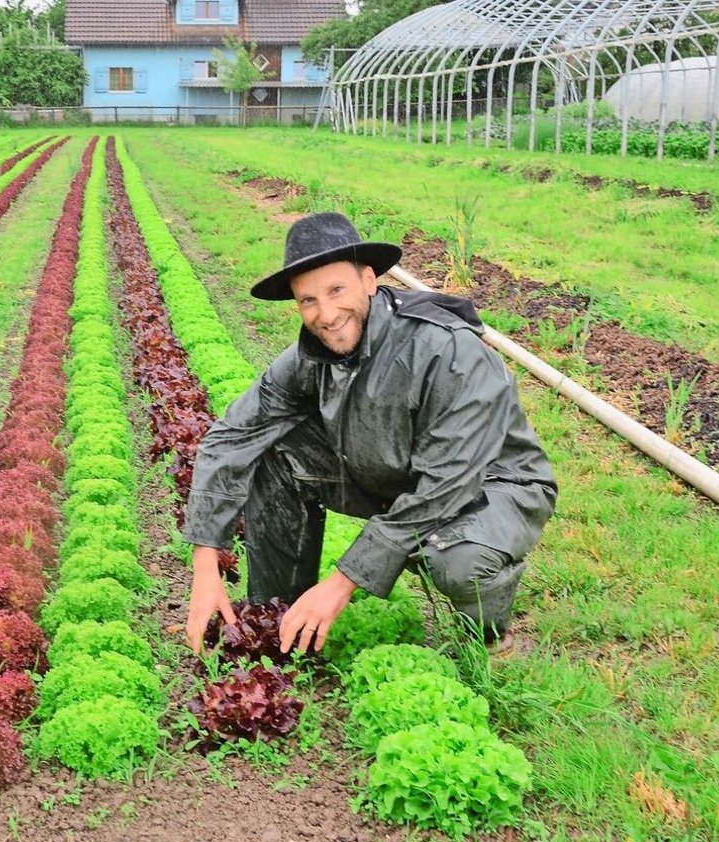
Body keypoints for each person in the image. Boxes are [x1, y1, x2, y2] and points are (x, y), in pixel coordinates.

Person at [183, 212, 556, 657]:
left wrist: (341, 583)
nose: (326, 314)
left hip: (490, 485)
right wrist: (206, 564)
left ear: (368, 280)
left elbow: (446, 485)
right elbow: (233, 436)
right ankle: (281, 620)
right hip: (388, 470)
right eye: (308, 301)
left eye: (337, 290)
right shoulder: (313, 352)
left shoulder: (446, 349)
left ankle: (492, 640)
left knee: (458, 563)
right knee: (271, 453)